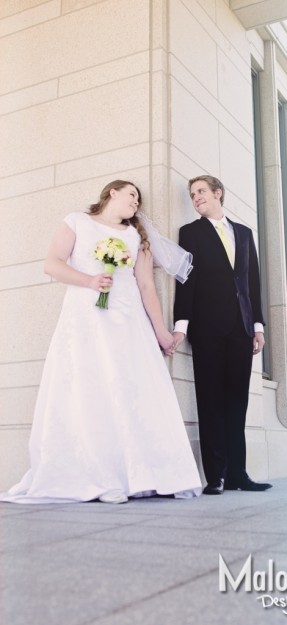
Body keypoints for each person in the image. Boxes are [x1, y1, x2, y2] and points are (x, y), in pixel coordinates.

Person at [0, 180, 202, 504]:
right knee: (87, 390)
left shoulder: (137, 237)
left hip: (127, 318)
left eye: (139, 200)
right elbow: (52, 263)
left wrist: (161, 332)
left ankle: (140, 474)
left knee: (129, 389)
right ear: (113, 193)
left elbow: (147, 286)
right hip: (85, 318)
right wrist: (90, 280)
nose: (137, 203)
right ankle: (99, 477)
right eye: (132, 195)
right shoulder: (76, 222)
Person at [172, 175, 272, 494]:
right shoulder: (190, 233)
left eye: (201, 191)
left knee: (236, 403)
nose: (196, 197)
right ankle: (216, 476)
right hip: (207, 330)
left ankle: (239, 474)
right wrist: (181, 325)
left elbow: (251, 283)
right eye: (192, 194)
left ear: (218, 194)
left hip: (241, 331)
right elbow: (185, 280)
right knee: (210, 401)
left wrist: (258, 327)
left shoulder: (244, 233)